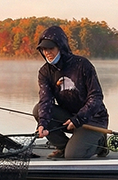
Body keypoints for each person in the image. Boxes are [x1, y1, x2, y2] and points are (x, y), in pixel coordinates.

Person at [34, 25, 109, 159]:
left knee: (73, 156)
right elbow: (46, 100)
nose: (47, 52)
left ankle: (100, 143)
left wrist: (79, 118)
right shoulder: (44, 72)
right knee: (38, 110)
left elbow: (96, 97)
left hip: (93, 119)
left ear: (61, 47)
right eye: (44, 49)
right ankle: (63, 146)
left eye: (51, 48)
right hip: (69, 116)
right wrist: (43, 124)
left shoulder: (82, 64)